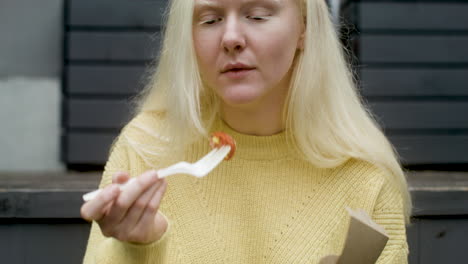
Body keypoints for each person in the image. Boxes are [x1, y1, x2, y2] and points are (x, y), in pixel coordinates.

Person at [80, 0, 411, 263]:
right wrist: (138, 249)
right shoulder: (147, 147)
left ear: (304, 27)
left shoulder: (365, 177)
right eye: (210, 20)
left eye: (257, 15)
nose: (231, 39)